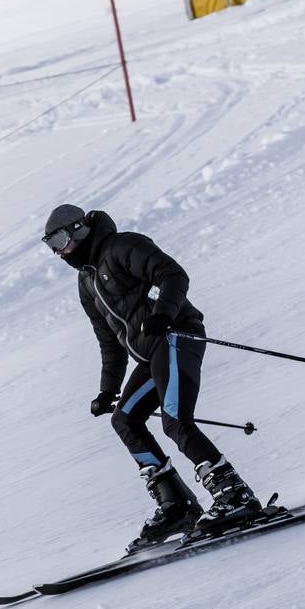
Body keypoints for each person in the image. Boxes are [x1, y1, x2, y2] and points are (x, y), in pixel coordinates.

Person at [42, 203, 263, 552]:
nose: (58, 251)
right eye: (50, 245)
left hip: (175, 336)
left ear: (79, 229)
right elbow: (108, 339)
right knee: (125, 420)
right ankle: (177, 507)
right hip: (150, 355)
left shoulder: (122, 246)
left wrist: (163, 315)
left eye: (60, 239)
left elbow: (174, 275)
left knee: (175, 420)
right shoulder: (86, 281)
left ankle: (236, 496)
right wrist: (107, 390)